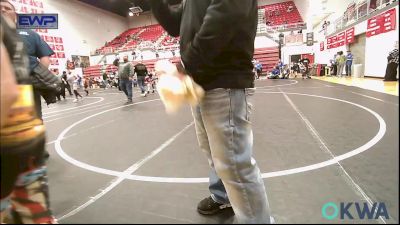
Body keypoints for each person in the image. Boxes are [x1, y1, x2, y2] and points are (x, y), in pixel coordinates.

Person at [149, 0, 272, 223]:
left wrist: (184, 67)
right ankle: (223, 196)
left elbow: (225, 17)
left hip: (223, 80)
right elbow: (176, 24)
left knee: (234, 165)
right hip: (201, 81)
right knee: (215, 156)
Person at [0, 8, 56, 224]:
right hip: (17, 127)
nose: (4, 9)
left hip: (19, 107)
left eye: (9, 7)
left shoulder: (30, 34)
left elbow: (45, 58)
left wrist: (39, 79)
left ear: (16, 14)